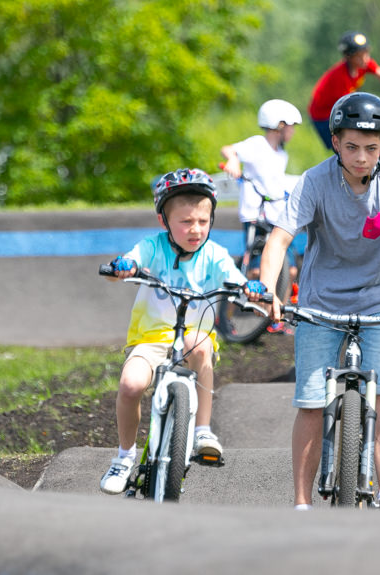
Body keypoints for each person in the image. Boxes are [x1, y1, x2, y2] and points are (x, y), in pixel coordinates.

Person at [249, 92, 380, 509]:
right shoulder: (313, 181)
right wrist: (268, 290)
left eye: (370, 147)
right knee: (310, 402)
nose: (361, 157)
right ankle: (302, 503)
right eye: (351, 147)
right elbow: (280, 239)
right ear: (335, 143)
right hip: (319, 301)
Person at [98, 168, 259, 495]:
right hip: (151, 340)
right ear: (164, 222)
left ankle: (202, 431)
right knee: (130, 386)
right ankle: (125, 456)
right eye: (185, 222)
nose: (195, 229)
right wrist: (123, 267)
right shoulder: (153, 248)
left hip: (192, 340)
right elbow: (128, 263)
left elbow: (236, 280)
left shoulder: (214, 255)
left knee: (199, 347)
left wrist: (250, 289)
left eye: (203, 221)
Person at [220, 99, 303, 332]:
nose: (293, 131)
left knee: (291, 269)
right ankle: (225, 319)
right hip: (256, 216)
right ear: (278, 125)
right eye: (290, 126)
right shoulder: (257, 145)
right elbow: (229, 149)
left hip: (276, 217)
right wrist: (234, 160)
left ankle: (276, 317)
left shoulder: (280, 154)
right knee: (254, 269)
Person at [308, 31, 380, 150]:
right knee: (347, 148)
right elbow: (349, 106)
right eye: (360, 55)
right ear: (348, 57)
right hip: (323, 115)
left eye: (366, 53)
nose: (365, 58)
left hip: (340, 107)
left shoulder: (364, 64)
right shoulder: (340, 77)